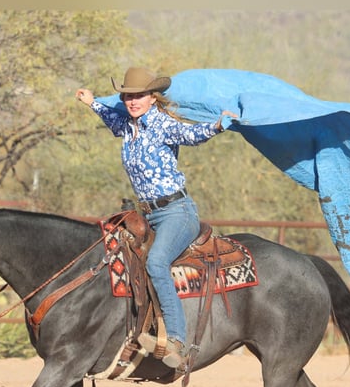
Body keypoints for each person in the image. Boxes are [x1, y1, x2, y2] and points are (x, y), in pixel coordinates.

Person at [76, 67, 235, 369]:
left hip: (176, 212)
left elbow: (190, 134)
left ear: (152, 97)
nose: (132, 101)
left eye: (138, 95)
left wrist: (217, 126)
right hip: (147, 214)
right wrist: (91, 101)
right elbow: (107, 115)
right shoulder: (126, 126)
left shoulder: (163, 124)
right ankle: (139, 331)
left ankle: (177, 340)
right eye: (127, 96)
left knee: (156, 263)